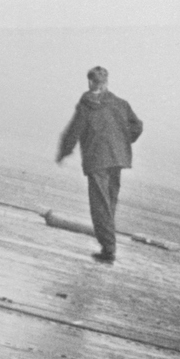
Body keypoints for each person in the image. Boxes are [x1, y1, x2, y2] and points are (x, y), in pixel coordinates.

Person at [56, 66, 142, 264]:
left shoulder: (87, 105)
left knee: (100, 205)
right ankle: (108, 246)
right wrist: (121, 141)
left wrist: (63, 152)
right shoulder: (121, 103)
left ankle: (108, 248)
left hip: (97, 159)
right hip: (118, 159)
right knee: (110, 202)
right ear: (106, 82)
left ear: (90, 82)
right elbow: (138, 126)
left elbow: (73, 131)